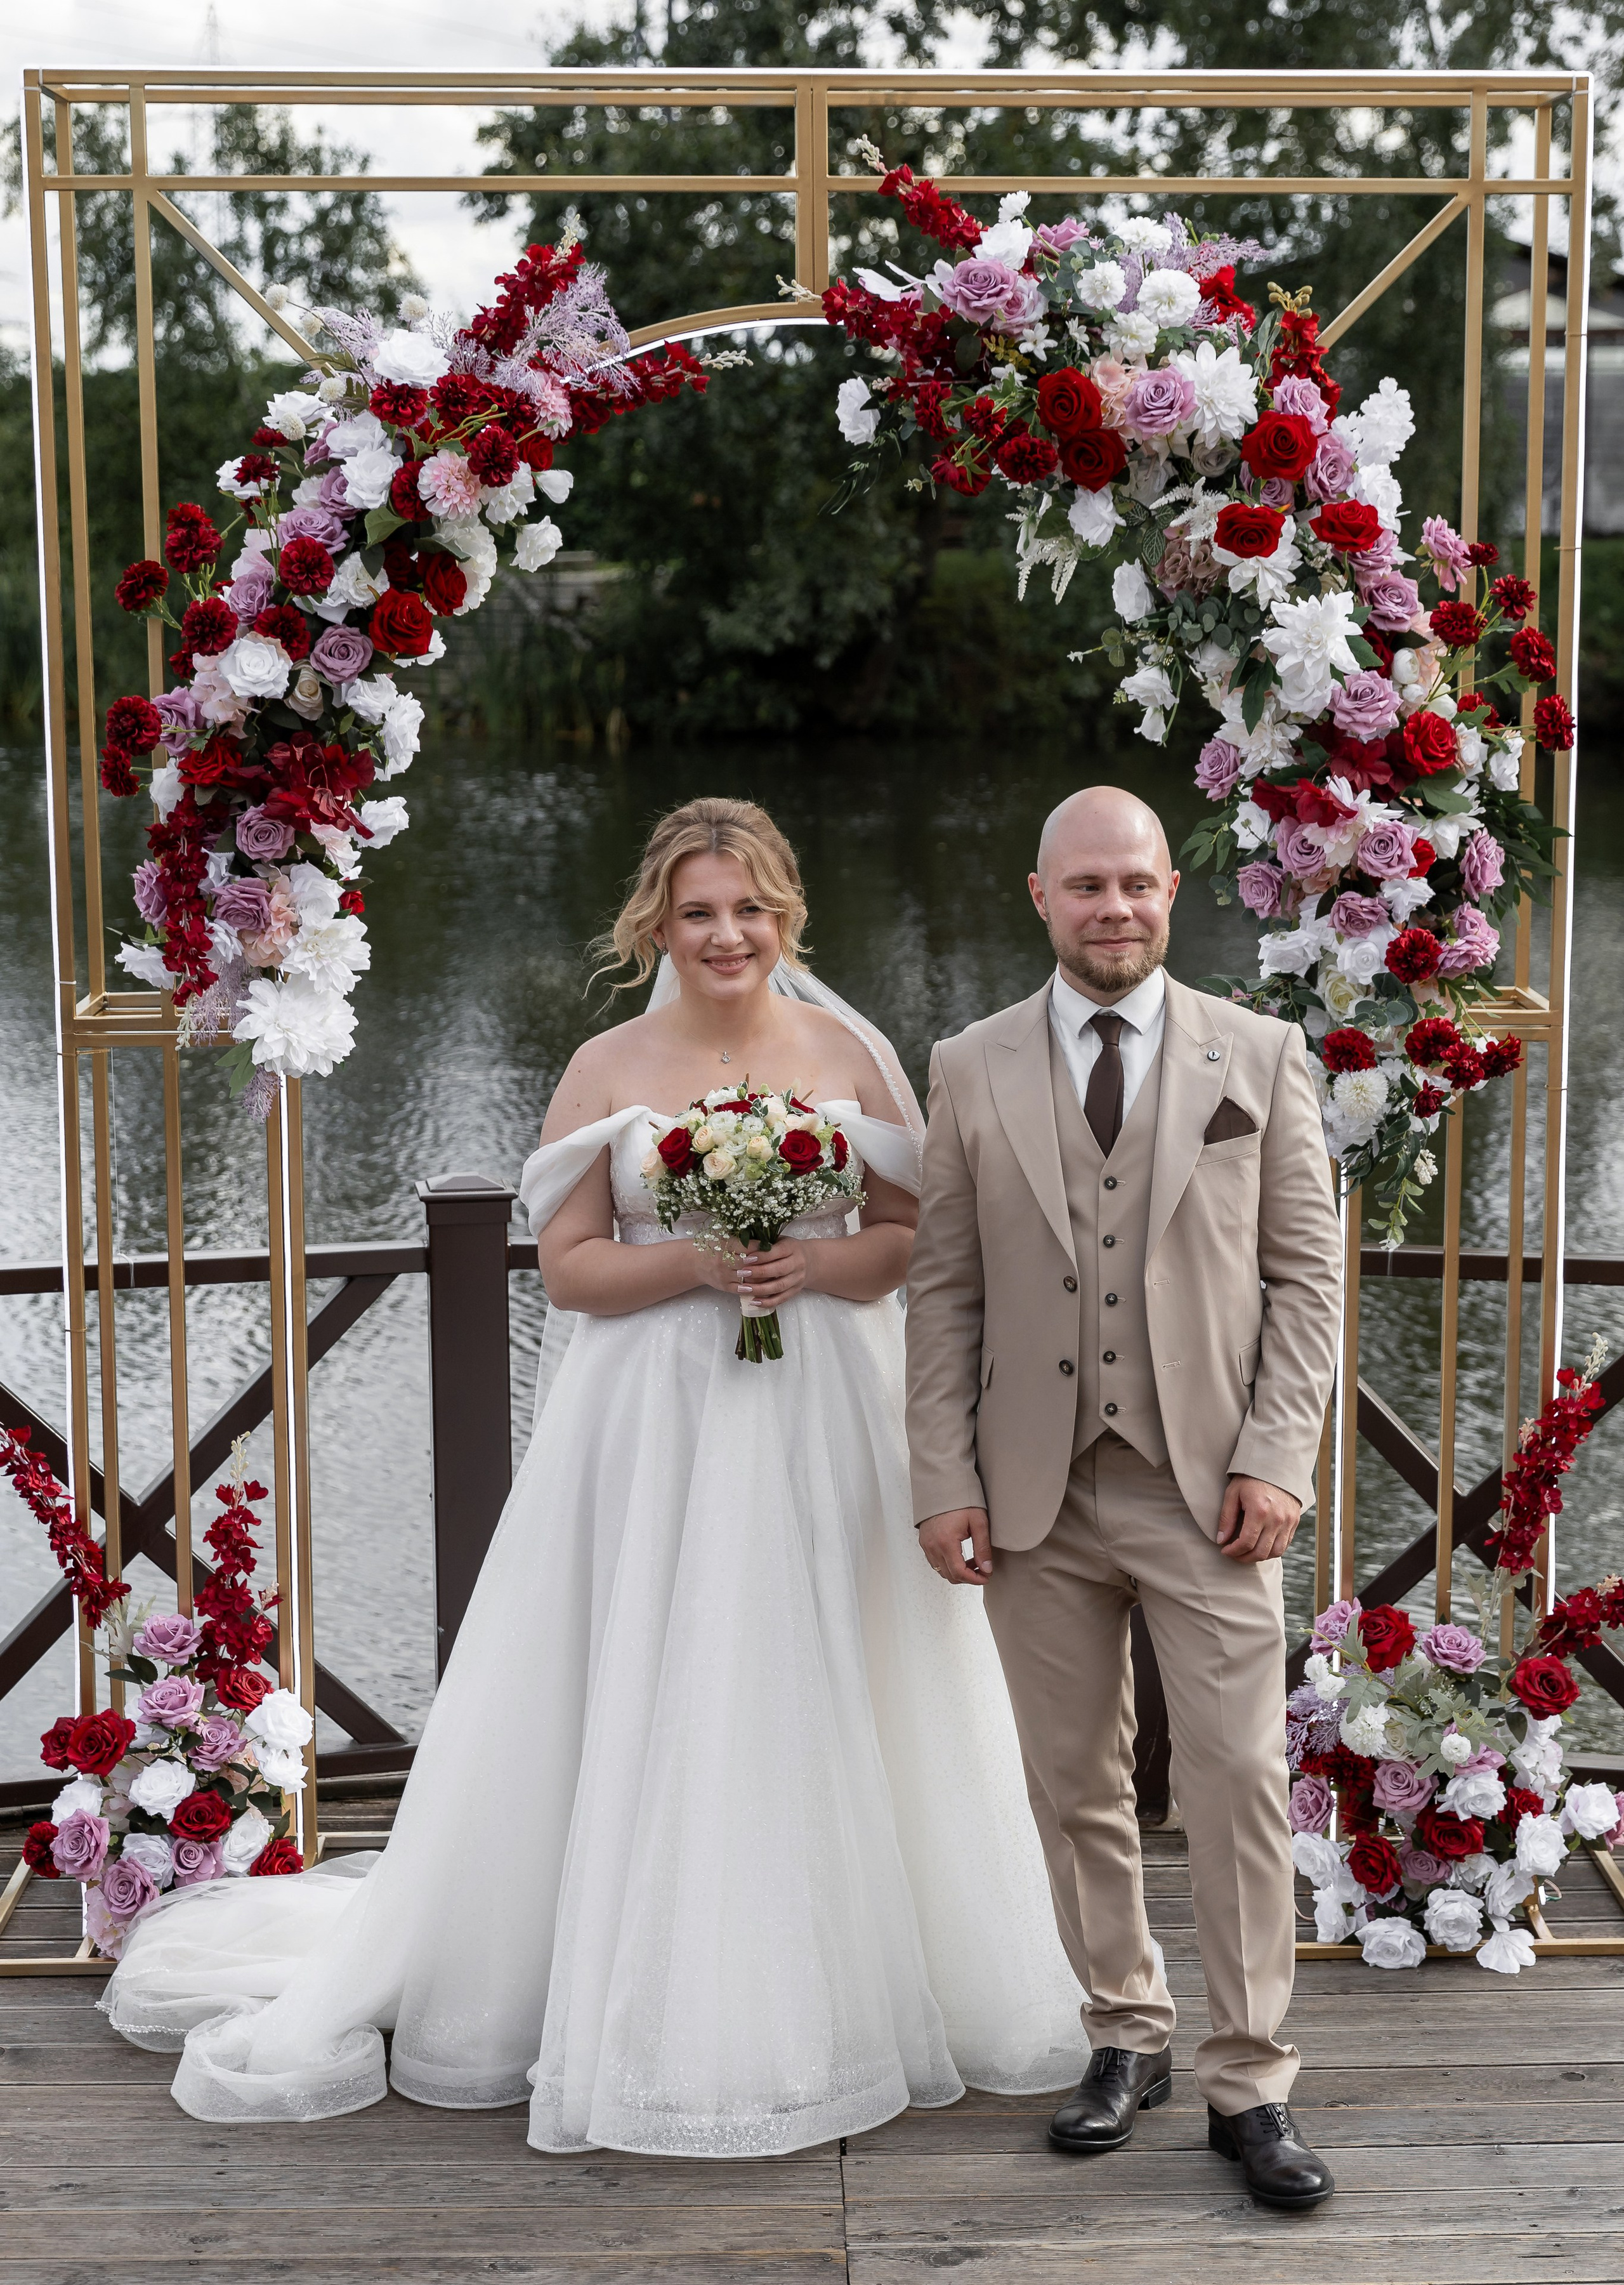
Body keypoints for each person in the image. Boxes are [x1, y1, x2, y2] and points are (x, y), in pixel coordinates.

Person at [102, 796, 1088, 2152]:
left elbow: (910, 1234)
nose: (725, 934)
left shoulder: (851, 1053)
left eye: (746, 910)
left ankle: (873, 1976)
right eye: (697, 913)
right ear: (657, 924)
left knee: (843, 1669)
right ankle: (637, 1983)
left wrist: (807, 1261)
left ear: (782, 915)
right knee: (661, 1674)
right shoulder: (607, 1065)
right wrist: (694, 1261)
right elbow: (567, 1267)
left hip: (830, 1420)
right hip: (655, 1431)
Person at [905, 784, 1344, 2211]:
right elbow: (944, 1290)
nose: (1115, 910)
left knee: (1235, 1782)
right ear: (1038, 896)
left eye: (1138, 885)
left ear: (1171, 891)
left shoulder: (1259, 1055)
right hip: (1032, 1489)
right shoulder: (968, 1065)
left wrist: (1278, 1455)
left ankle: (1250, 2078)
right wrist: (941, 1476)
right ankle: (1122, 2031)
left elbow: (1304, 1280)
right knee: (1072, 1782)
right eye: (1087, 887)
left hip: (1207, 1487)